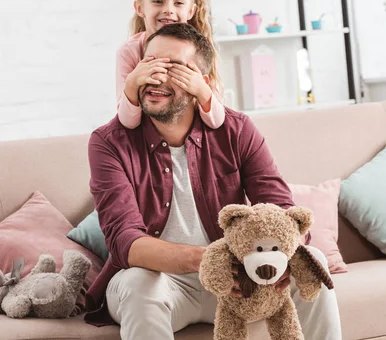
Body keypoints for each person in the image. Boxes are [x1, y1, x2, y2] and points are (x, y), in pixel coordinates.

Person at [85, 23, 342, 340]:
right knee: (140, 284)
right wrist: (206, 259)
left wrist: (281, 255)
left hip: (238, 281)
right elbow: (125, 242)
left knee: (311, 260)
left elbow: (281, 207)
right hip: (163, 283)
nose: (156, 77)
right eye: (150, 63)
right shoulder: (108, 142)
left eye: (174, 68)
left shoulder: (236, 129)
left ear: (199, 82)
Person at [116, 0, 225, 131]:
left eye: (179, 3)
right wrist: (132, 82)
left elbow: (217, 121)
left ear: (190, 11)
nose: (168, 9)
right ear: (140, 8)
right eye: (158, 1)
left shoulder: (199, 50)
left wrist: (201, 90)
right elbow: (127, 122)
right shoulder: (129, 52)